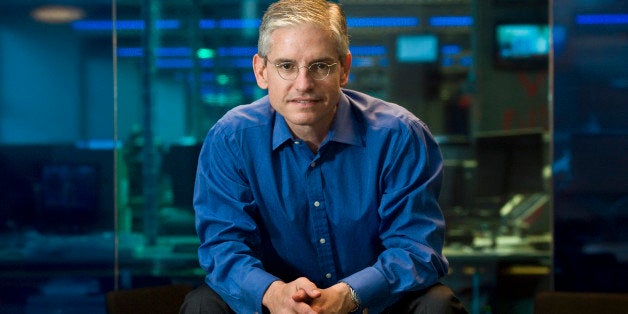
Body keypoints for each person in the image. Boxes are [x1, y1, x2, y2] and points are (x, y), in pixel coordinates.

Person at [181, 0, 467, 313]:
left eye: (320, 66)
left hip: (374, 307)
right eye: (286, 66)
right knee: (202, 305)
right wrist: (274, 293)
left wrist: (351, 294)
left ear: (344, 69)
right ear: (261, 71)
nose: (303, 84)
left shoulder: (399, 135)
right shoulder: (231, 139)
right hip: (275, 308)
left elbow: (416, 248)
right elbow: (224, 247)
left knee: (437, 305)